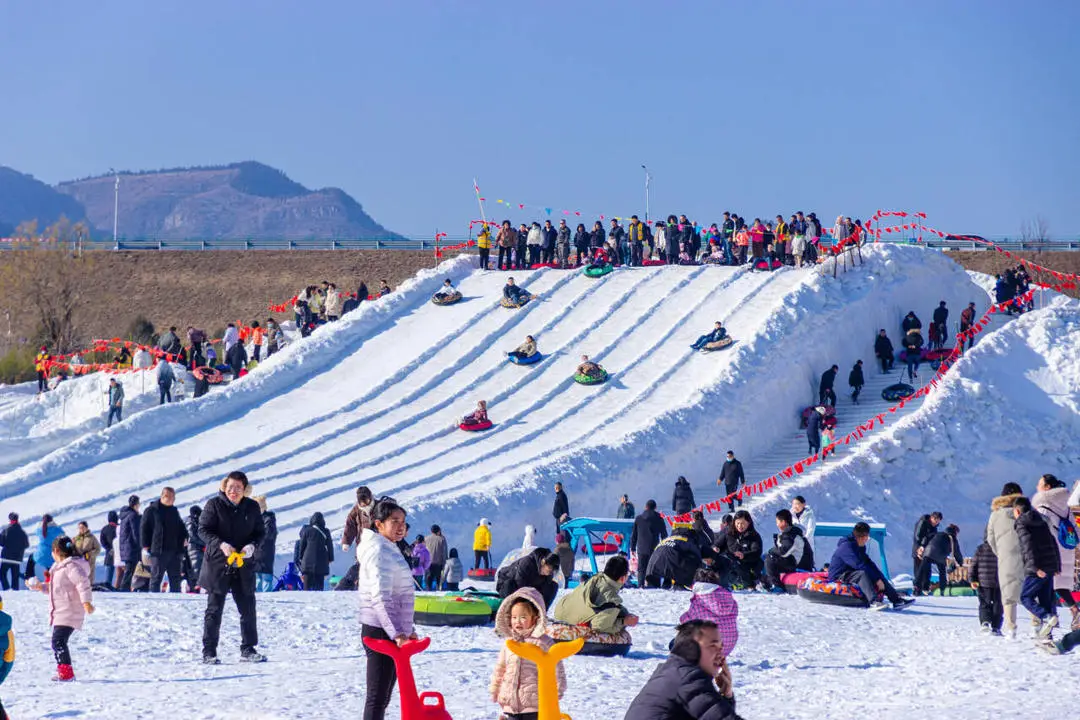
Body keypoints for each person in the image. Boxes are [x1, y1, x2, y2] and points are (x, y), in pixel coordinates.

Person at [199, 471, 267, 664]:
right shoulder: (214, 505)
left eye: (238, 487)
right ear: (224, 487)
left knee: (248, 608)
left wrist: (252, 545)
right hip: (218, 564)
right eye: (230, 487)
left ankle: (248, 648)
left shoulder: (252, 507)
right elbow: (202, 530)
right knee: (214, 609)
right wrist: (220, 544)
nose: (233, 491)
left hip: (243, 565)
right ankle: (209, 651)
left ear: (244, 489)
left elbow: (260, 532)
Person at [358, 498, 416, 720]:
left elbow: (398, 594)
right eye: (394, 521)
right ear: (379, 524)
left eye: (403, 521)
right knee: (377, 698)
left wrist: (406, 628)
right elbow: (380, 597)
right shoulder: (379, 551)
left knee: (382, 698)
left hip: (390, 630)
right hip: (380, 630)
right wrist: (397, 633)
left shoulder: (389, 547)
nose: (401, 526)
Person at [624, 620, 742, 720]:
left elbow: (710, 713)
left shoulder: (673, 670)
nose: (721, 655)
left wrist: (726, 695)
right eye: (713, 646)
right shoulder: (688, 678)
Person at [490, 587, 566, 720]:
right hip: (510, 703)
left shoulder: (543, 642)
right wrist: (495, 689)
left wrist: (558, 690)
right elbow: (500, 668)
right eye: (514, 617)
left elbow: (556, 667)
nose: (517, 621)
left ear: (535, 618)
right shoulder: (509, 644)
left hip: (533, 704)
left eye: (523, 617)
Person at [35, 536, 94, 683]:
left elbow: (83, 583)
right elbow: (56, 588)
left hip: (70, 610)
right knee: (57, 642)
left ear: (56, 551)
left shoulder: (71, 567)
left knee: (58, 641)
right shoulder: (58, 568)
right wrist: (41, 587)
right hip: (60, 611)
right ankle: (63, 671)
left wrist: (86, 601)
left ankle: (67, 673)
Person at [827, 522, 913, 610]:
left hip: (850, 573)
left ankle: (896, 600)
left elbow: (868, 563)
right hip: (839, 576)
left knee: (875, 571)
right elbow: (859, 565)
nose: (867, 539)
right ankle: (873, 602)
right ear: (862, 537)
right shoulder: (847, 547)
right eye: (867, 537)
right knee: (862, 574)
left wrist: (878, 578)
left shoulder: (858, 546)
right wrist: (876, 580)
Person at [1032, 473, 1080, 629]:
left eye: (1039, 484)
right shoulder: (1065, 508)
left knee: (1045, 586)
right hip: (1066, 549)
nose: (1036, 487)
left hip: (1050, 551)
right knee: (1060, 586)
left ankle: (1051, 618)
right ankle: (1074, 611)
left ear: (1047, 488)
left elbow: (1039, 532)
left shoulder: (1043, 507)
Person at [554, 555, 639, 635]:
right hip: (569, 624)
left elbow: (603, 605)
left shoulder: (596, 578)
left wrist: (622, 612)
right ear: (622, 578)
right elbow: (599, 628)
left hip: (560, 610)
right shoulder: (612, 600)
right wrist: (624, 622)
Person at [1013, 495, 1061, 637]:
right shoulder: (1041, 520)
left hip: (1037, 567)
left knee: (1025, 597)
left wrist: (1035, 568)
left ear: (1017, 511)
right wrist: (1056, 565)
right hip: (1050, 565)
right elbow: (1053, 542)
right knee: (1045, 598)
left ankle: (1046, 617)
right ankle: (1047, 635)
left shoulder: (1022, 523)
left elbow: (1028, 547)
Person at [986, 482, 1025, 638]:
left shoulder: (995, 515)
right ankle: (1036, 625)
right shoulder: (1026, 511)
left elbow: (990, 538)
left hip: (1005, 557)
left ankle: (1011, 627)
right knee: (1030, 592)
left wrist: (1001, 553)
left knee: (1008, 595)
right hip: (1026, 556)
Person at [679, 568, 739, 658]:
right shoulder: (728, 596)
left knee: (677, 641)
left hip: (707, 647)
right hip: (728, 644)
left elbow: (688, 621)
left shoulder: (700, 598)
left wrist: (682, 618)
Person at [141, 486, 189, 593]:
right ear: (164, 496)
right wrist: (146, 546)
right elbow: (144, 529)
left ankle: (176, 602)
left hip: (175, 551)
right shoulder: (152, 510)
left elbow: (181, 527)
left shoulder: (174, 510)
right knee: (156, 578)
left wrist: (185, 537)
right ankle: (154, 601)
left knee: (175, 579)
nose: (174, 499)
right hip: (158, 551)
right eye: (172, 497)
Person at [762, 510, 815, 591]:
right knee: (766, 558)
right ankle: (766, 582)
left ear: (783, 522)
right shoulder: (789, 533)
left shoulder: (791, 534)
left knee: (770, 559)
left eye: (778, 522)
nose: (777, 525)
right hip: (793, 561)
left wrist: (772, 551)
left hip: (800, 565)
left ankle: (776, 585)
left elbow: (784, 552)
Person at [496, 547, 560, 609]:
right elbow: (520, 585)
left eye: (553, 571)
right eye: (549, 569)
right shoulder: (527, 563)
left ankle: (541, 612)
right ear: (543, 562)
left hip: (529, 586)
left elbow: (545, 590)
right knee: (509, 584)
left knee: (553, 586)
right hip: (509, 583)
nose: (550, 572)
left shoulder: (549, 572)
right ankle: (512, 610)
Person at [337, 487, 374, 591]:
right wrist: (346, 542)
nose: (364, 504)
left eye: (366, 501)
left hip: (376, 544)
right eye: (361, 502)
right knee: (360, 568)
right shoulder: (356, 510)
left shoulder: (378, 507)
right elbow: (350, 526)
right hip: (362, 545)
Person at [715, 511, 762, 589]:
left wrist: (744, 555)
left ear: (748, 522)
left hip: (747, 565)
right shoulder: (729, 532)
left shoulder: (754, 536)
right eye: (738, 523)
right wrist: (716, 548)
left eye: (743, 523)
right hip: (731, 562)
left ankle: (749, 585)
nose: (740, 526)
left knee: (740, 565)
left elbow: (756, 552)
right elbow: (717, 544)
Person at [915, 523, 962, 596]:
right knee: (942, 573)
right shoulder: (953, 540)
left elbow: (926, 538)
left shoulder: (938, 534)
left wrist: (922, 546)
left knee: (922, 570)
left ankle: (917, 587)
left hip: (928, 553)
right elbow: (957, 553)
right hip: (941, 557)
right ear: (955, 532)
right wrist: (960, 562)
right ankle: (942, 590)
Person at [969, 536, 1003, 635]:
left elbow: (973, 566)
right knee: (998, 605)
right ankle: (996, 627)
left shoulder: (980, 549)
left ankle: (985, 623)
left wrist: (972, 580)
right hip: (998, 582)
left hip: (983, 582)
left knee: (984, 604)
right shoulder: (1001, 549)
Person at [631, 500, 668, 588]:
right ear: (655, 508)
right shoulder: (659, 519)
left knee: (641, 568)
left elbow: (634, 535)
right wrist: (664, 547)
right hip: (654, 547)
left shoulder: (638, 519)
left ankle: (641, 585)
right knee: (654, 567)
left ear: (645, 507)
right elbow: (664, 534)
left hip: (641, 547)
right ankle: (654, 585)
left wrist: (632, 547)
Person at [295, 512, 334, 591]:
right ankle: (318, 602)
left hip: (307, 562)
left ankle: (306, 602)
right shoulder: (326, 531)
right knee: (319, 587)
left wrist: (301, 557)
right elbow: (330, 546)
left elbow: (302, 545)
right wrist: (330, 558)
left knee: (306, 588)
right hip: (321, 562)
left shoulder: (307, 530)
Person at [250, 496, 277, 593]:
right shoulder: (257, 519)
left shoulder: (268, 519)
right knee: (258, 577)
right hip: (257, 552)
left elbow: (268, 535)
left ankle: (266, 597)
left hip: (265, 552)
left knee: (266, 577)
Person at [32, 514, 66, 583]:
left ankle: (29, 575)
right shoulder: (56, 530)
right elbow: (63, 533)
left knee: (31, 558)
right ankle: (51, 582)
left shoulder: (40, 530)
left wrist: (41, 524)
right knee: (51, 568)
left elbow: (36, 531)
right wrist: (56, 525)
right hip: (52, 556)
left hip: (40, 556)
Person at [117, 496, 141, 591]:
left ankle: (125, 588)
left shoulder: (125, 515)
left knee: (129, 569)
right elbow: (136, 532)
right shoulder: (133, 515)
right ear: (136, 505)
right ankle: (124, 588)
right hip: (131, 547)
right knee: (129, 570)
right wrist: (140, 544)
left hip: (126, 546)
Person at [0, 513, 28, 591]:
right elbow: (26, 544)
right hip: (17, 558)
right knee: (15, 577)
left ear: (10, 520)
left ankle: (7, 589)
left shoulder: (6, 530)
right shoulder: (22, 532)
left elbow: (1, 542)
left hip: (7, 557)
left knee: (2, 574)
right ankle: (15, 591)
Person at [911, 511, 942, 579]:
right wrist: (921, 546)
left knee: (927, 572)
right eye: (935, 521)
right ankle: (918, 586)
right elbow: (917, 536)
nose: (936, 523)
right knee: (919, 571)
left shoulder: (934, 528)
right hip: (918, 549)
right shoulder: (923, 522)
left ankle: (925, 587)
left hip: (927, 552)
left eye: (938, 522)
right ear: (932, 518)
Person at [185, 506, 206, 591]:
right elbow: (192, 536)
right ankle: (194, 586)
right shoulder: (190, 522)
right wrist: (205, 542)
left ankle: (200, 585)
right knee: (195, 566)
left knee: (201, 566)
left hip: (200, 547)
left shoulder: (198, 521)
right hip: (193, 547)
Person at [425, 525, 447, 591]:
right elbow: (444, 552)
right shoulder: (442, 539)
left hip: (428, 563)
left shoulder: (426, 538)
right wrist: (444, 563)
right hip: (438, 563)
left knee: (428, 581)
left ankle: (428, 593)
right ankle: (438, 593)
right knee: (438, 582)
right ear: (438, 531)